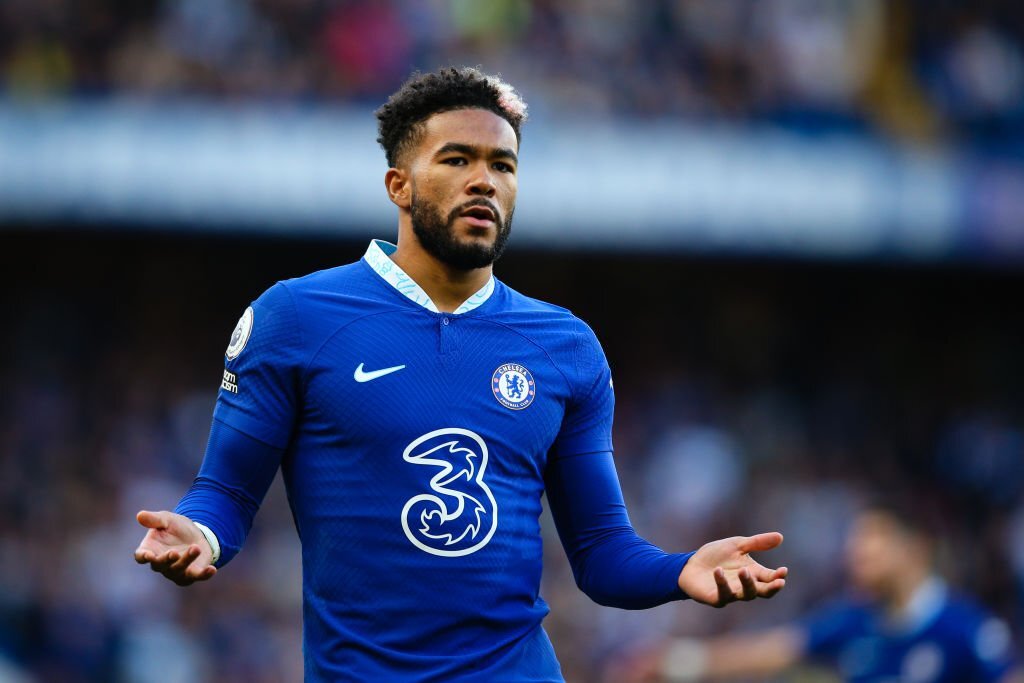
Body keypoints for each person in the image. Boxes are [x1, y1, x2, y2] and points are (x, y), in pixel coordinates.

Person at [133, 67, 788, 682]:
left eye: (503, 165)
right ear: (399, 185)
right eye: (457, 160)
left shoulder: (566, 346)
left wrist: (681, 570)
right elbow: (226, 492)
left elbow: (602, 552)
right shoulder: (297, 317)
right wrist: (201, 534)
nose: (484, 181)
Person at [611, 504, 1020, 683]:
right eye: (855, 542)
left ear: (915, 548)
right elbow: (770, 651)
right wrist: (675, 663)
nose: (856, 553)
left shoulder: (966, 629)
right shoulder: (854, 622)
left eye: (873, 539)